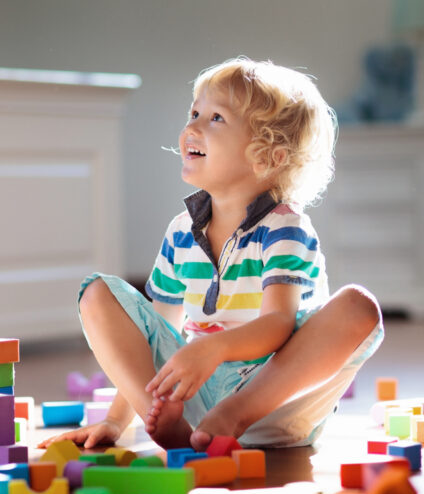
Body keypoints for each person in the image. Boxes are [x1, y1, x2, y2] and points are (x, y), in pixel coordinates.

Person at [39, 57, 384, 452]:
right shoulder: (180, 233)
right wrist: (116, 421)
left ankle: (235, 415)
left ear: (267, 154)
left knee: (359, 306)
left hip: (273, 398)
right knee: (96, 292)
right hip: (196, 399)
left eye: (216, 118)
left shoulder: (284, 228)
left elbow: (277, 324)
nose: (192, 127)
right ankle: (167, 419)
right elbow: (154, 335)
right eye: (195, 112)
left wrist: (213, 348)